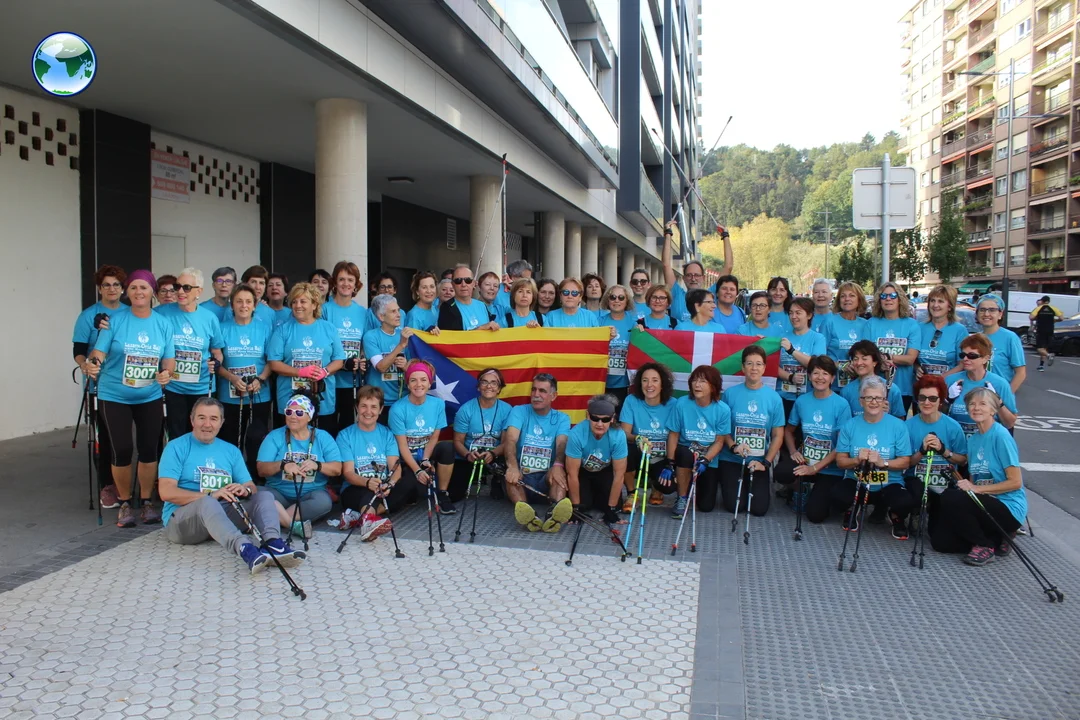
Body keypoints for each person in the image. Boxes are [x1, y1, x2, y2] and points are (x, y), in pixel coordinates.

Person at [159, 397, 304, 574]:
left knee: (264, 496)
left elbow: (250, 486)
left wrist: (245, 490)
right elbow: (166, 492)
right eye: (201, 417)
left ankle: (273, 544)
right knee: (208, 502)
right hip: (182, 523)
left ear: (221, 422)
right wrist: (210, 495)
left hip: (219, 518)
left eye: (213, 419)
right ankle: (245, 549)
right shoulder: (176, 447)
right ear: (192, 420)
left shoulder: (231, 451)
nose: (207, 424)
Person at [85, 269, 176, 527]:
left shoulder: (163, 324)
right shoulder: (114, 321)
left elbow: (168, 359)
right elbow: (99, 352)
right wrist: (93, 363)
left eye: (143, 287)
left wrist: (166, 373)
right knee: (122, 449)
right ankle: (125, 502)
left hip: (149, 395)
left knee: (149, 448)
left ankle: (146, 501)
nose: (138, 292)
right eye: (134, 287)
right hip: (114, 395)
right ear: (127, 291)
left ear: (152, 292)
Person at [931, 387, 1028, 566]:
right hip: (984, 503)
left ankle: (985, 545)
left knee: (950, 497)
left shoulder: (1001, 436)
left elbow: (1015, 482)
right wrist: (969, 487)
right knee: (941, 542)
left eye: (983, 404)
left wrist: (976, 489)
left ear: (993, 410)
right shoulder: (974, 440)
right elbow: (972, 479)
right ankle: (997, 537)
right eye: (972, 404)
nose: (976, 408)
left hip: (1008, 506)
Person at [775, 356, 853, 523]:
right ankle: (800, 489)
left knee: (815, 515)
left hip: (830, 468)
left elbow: (842, 445)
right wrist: (793, 451)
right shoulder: (802, 401)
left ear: (832, 378)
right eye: (816, 373)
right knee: (781, 472)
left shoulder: (841, 405)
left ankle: (825, 498)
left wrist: (815, 468)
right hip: (806, 460)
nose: (820, 377)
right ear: (809, 376)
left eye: (825, 373)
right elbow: (788, 431)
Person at [73, 264, 126, 509]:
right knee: (104, 439)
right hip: (99, 387)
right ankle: (107, 485)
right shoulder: (88, 315)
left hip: (131, 387)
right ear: (99, 288)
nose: (111, 289)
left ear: (122, 288)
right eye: (106, 285)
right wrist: (84, 365)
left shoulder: (129, 313)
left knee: (124, 441)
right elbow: (78, 350)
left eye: (116, 284)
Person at [835, 375, 915, 537]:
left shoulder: (898, 426)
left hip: (888, 483)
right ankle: (853, 507)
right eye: (868, 397)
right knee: (838, 496)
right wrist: (856, 460)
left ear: (884, 400)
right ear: (861, 401)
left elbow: (905, 462)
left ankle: (895, 515)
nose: (873, 402)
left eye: (878, 398)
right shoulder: (850, 425)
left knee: (905, 501)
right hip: (858, 480)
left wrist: (882, 462)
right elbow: (840, 461)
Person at [256, 394, 342, 537]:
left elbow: (337, 469)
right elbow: (261, 469)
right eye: (289, 412)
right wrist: (282, 465)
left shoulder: (323, 437)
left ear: (309, 416)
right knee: (257, 493)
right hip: (279, 493)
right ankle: (291, 524)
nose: (293, 416)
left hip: (310, 495)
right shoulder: (275, 436)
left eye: (299, 412)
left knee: (324, 502)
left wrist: (317, 465)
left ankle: (276, 518)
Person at [267, 282, 346, 435]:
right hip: (290, 397)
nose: (298, 305)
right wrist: (299, 372)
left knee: (322, 437)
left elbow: (339, 360)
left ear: (314, 305)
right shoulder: (283, 330)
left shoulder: (328, 328)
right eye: (294, 302)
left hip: (322, 397)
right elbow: (274, 363)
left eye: (303, 301)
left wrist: (325, 371)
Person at [156, 268, 225, 440]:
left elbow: (217, 351)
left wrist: (216, 363)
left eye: (186, 287)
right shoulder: (162, 313)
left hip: (201, 386)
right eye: (177, 287)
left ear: (198, 291)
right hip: (173, 387)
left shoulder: (209, 318)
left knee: (201, 434)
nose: (180, 291)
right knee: (176, 435)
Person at [718, 346, 785, 517]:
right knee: (734, 506)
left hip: (759, 461)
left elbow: (778, 435)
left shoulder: (774, 398)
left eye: (758, 364)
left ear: (764, 368)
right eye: (749, 363)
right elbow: (723, 430)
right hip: (732, 459)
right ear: (743, 367)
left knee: (759, 509)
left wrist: (766, 463)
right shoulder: (730, 394)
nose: (754, 368)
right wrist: (734, 447)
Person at [216, 283, 273, 481]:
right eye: (239, 301)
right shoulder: (222, 328)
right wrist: (231, 377)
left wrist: (261, 379)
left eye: (248, 301)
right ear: (232, 304)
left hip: (258, 394)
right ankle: (232, 477)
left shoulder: (264, 329)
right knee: (231, 437)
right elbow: (216, 363)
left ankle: (255, 478)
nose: (244, 305)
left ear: (255, 305)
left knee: (256, 437)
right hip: (230, 394)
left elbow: (272, 360)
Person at [504, 373, 573, 532]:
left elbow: (562, 443)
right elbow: (511, 440)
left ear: (553, 396)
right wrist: (512, 466)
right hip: (522, 476)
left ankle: (553, 516)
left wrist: (558, 465)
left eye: (542, 391)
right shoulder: (519, 411)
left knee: (559, 477)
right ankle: (529, 516)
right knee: (510, 477)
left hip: (546, 478)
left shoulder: (562, 418)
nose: (536, 395)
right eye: (534, 389)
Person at [334, 385, 400, 542]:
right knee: (370, 492)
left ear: (381, 409)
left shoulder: (387, 434)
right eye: (363, 406)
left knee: (408, 484)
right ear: (357, 407)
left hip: (382, 488)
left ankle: (357, 516)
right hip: (355, 488)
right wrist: (368, 482)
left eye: (373, 407)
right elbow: (348, 473)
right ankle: (368, 524)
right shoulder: (345, 435)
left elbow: (396, 467)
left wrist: (389, 484)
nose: (368, 411)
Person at [389, 361, 456, 513]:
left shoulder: (438, 404)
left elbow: (434, 437)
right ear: (408, 384)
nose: (418, 384)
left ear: (430, 383)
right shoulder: (398, 409)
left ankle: (442, 494)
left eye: (423, 380)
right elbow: (402, 446)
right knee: (408, 494)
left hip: (426, 452)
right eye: (413, 380)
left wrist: (425, 459)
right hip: (406, 457)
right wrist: (417, 470)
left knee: (447, 447)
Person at [905, 374, 968, 535]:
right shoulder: (908, 426)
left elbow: (962, 460)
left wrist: (943, 450)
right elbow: (907, 463)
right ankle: (916, 511)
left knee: (938, 533)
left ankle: (934, 513)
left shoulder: (953, 426)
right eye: (922, 398)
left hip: (944, 480)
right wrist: (921, 451)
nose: (927, 402)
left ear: (940, 401)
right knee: (914, 490)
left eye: (933, 398)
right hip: (917, 479)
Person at [665, 365, 731, 517]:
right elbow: (674, 434)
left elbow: (719, 441)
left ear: (713, 386)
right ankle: (681, 498)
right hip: (686, 454)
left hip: (707, 458)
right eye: (694, 380)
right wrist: (670, 462)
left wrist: (706, 460)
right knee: (684, 453)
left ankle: (692, 485)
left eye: (702, 381)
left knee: (706, 506)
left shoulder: (723, 409)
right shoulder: (682, 403)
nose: (697, 385)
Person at [619, 362, 678, 509]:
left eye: (655, 380)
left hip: (662, 457)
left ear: (663, 384)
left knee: (669, 486)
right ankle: (632, 492)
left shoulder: (673, 404)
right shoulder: (631, 400)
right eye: (645, 380)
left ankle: (656, 487)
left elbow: (676, 435)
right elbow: (624, 432)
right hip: (640, 453)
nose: (649, 385)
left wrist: (670, 463)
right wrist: (638, 438)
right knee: (622, 448)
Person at [322, 261, 372, 431]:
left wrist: (363, 361)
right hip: (330, 380)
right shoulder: (325, 309)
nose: (346, 284)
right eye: (341, 279)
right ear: (335, 282)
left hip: (353, 381)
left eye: (350, 280)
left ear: (356, 284)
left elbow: (365, 343)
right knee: (328, 427)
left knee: (348, 426)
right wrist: (342, 364)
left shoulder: (362, 312)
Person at [565, 395, 628, 526]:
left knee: (615, 505)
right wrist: (576, 507)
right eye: (595, 419)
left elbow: (619, 474)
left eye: (605, 420)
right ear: (588, 416)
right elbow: (572, 474)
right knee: (584, 504)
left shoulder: (618, 435)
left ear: (612, 418)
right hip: (583, 472)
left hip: (605, 471)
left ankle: (601, 500)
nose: (600, 424)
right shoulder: (576, 433)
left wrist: (611, 509)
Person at [452, 368, 513, 501]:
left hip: (495, 456)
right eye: (484, 382)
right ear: (479, 387)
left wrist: (493, 453)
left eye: (494, 383)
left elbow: (506, 442)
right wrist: (467, 455)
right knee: (454, 495)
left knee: (503, 496)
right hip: (470, 455)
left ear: (499, 388)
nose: (488, 386)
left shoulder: (507, 410)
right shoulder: (466, 409)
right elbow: (457, 441)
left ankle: (496, 480)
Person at [944, 333, 1018, 437]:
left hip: (986, 442)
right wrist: (947, 400)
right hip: (956, 441)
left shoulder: (1000, 384)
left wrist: (998, 402)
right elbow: (938, 418)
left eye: (972, 356)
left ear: (985, 358)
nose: (965, 359)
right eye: (963, 355)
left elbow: (1010, 423)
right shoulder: (951, 380)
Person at [867, 281, 920, 413]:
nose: (888, 299)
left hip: (903, 389)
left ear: (900, 298)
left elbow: (910, 359)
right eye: (884, 296)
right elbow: (866, 355)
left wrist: (886, 358)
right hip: (874, 389)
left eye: (893, 295)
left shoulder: (912, 325)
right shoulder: (871, 323)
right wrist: (880, 363)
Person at [664, 220, 732, 323]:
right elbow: (666, 265)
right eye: (689, 275)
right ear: (684, 278)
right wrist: (668, 233)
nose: (693, 278)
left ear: (703, 278)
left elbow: (728, 266)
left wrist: (725, 235)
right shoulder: (676, 293)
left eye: (697, 275)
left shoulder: (710, 295)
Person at [362, 294, 412, 414]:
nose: (399, 315)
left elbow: (415, 368)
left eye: (398, 310)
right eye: (393, 311)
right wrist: (400, 345)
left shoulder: (405, 334)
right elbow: (381, 367)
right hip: (378, 401)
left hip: (402, 399)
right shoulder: (371, 336)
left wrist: (406, 366)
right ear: (381, 316)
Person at [777, 297, 826, 416]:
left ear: (809, 315)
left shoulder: (818, 338)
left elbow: (817, 365)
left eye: (798, 313)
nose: (793, 317)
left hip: (808, 397)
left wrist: (792, 350)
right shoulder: (781, 337)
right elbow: (773, 366)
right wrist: (790, 377)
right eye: (791, 313)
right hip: (783, 396)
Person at [820, 281, 868, 390]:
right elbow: (820, 355)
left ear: (859, 299)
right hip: (833, 385)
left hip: (860, 385)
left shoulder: (865, 324)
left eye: (852, 295)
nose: (847, 299)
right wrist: (841, 366)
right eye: (843, 296)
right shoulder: (829, 322)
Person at [840, 340, 904, 420]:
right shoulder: (846, 391)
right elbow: (845, 422)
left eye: (864, 359)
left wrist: (887, 416)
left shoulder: (893, 390)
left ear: (875, 362)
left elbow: (900, 420)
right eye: (855, 359)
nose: (859, 363)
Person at [975, 294, 1026, 393]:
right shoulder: (974, 339)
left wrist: (1006, 396)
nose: (986, 314)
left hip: (998, 396)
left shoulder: (1010, 338)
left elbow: (1020, 373)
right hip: (976, 395)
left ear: (1000, 314)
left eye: (992, 310)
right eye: (982, 310)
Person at [916, 284, 969, 379]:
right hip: (921, 384)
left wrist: (940, 379)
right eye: (932, 300)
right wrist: (916, 368)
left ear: (950, 306)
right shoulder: (919, 328)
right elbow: (912, 358)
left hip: (948, 384)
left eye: (940, 301)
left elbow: (962, 364)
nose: (935, 305)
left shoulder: (960, 331)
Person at [600, 285, 638, 404]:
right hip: (602, 381)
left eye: (621, 297)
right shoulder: (599, 321)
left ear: (627, 301)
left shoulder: (633, 324)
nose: (617, 300)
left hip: (624, 383)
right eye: (613, 297)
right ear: (608, 300)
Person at [438, 264, 499, 331]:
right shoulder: (446, 307)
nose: (463, 284)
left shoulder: (482, 305)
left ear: (474, 283)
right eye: (458, 280)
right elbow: (452, 336)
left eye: (468, 280)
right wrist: (480, 329)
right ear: (453, 284)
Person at [1030, 295, 1064, 372]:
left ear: (1042, 301)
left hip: (1041, 330)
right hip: (1050, 330)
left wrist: (1038, 318)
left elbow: (1031, 317)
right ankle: (1041, 366)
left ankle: (1049, 355)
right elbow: (1061, 318)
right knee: (1044, 348)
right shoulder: (1053, 308)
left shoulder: (1038, 308)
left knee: (1039, 348)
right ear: (1048, 301)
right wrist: (1054, 320)